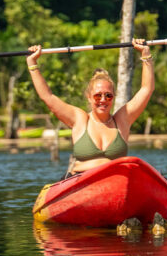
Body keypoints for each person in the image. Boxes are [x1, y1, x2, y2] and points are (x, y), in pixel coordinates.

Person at [26, 39, 154, 176]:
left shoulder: (122, 119)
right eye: (98, 96)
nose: (103, 100)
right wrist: (32, 63)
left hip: (116, 179)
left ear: (113, 97)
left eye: (108, 96)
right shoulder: (79, 119)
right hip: (82, 179)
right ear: (89, 97)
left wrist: (146, 54)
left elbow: (146, 89)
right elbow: (48, 97)